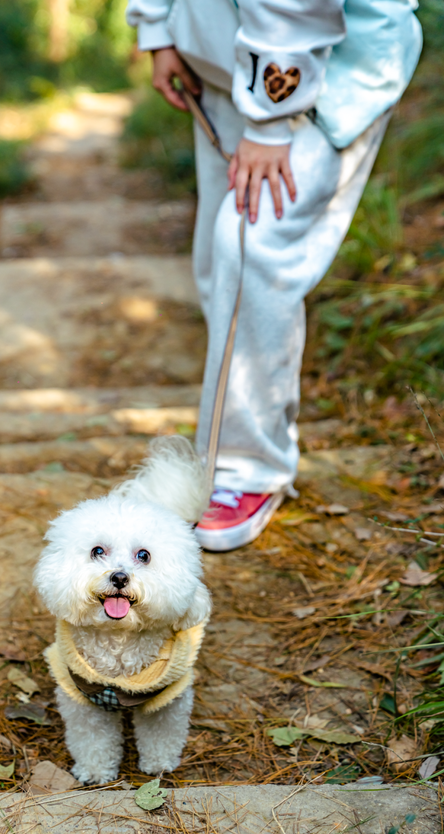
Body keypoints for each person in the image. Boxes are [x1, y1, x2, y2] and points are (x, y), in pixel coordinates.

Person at [125, 0, 422, 551]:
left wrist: (270, 116)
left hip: (321, 73)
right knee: (222, 264)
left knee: (252, 249)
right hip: (225, 68)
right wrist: (160, 26)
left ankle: (249, 469)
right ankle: (227, 451)